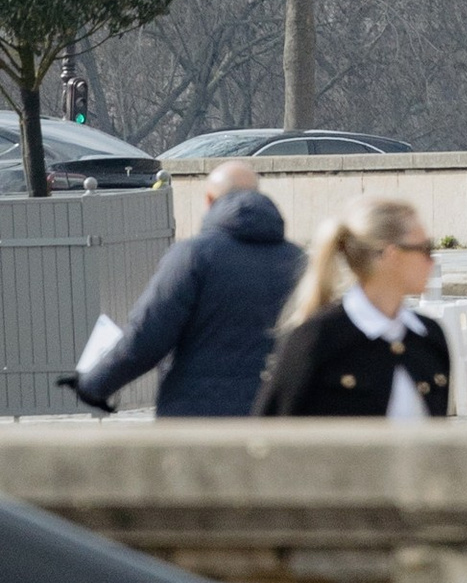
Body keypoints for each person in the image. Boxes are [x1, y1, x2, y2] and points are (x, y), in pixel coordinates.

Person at [74, 159, 303, 418]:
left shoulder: (193, 256)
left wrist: (93, 385)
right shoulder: (299, 260)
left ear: (208, 200)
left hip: (198, 418)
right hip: (276, 415)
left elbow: (147, 336)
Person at [252, 198, 452, 419]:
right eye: (425, 249)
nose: (431, 260)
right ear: (391, 255)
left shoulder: (429, 336)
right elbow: (270, 433)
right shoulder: (316, 338)